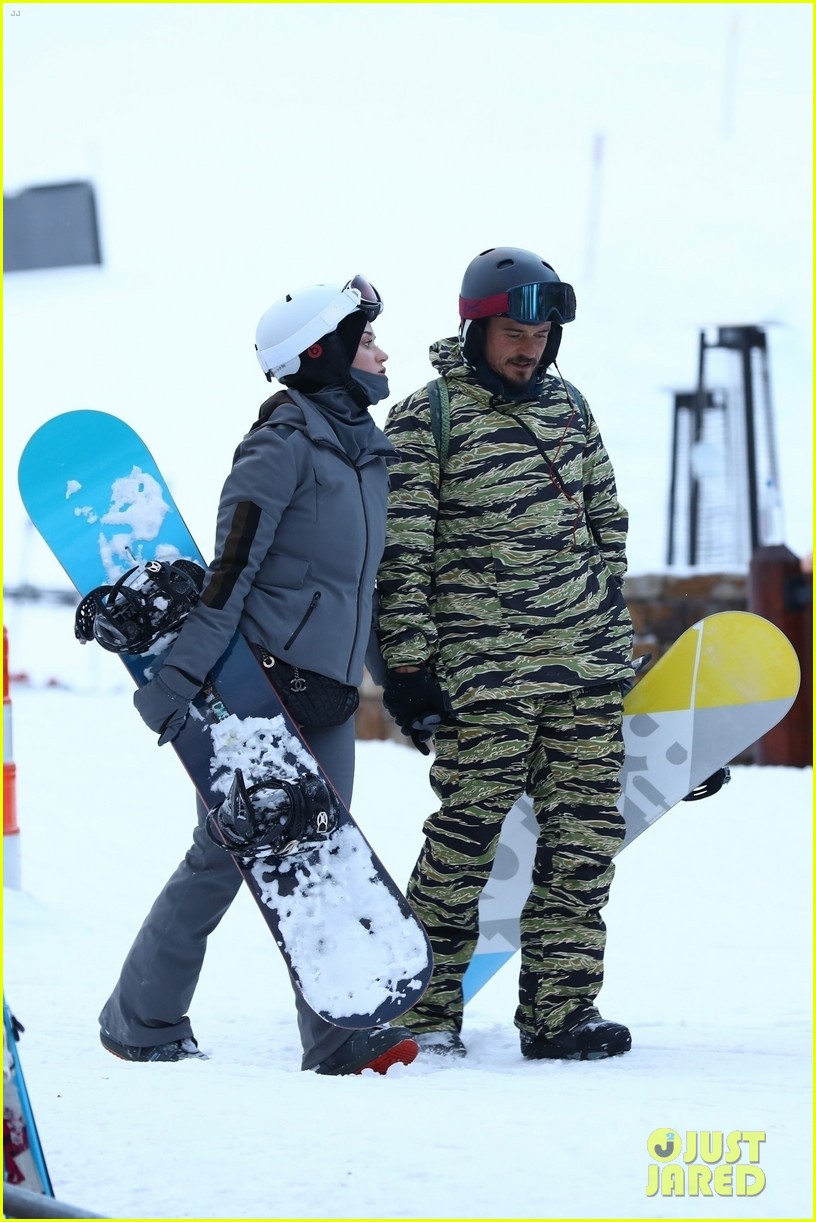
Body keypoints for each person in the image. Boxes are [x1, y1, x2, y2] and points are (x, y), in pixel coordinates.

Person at [99, 276, 419, 1077]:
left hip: (334, 697)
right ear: (326, 353)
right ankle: (140, 1018)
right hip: (260, 694)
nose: (382, 352)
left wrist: (402, 685)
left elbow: (363, 592)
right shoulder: (278, 446)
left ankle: (336, 1033)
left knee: (322, 857)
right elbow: (229, 574)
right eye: (367, 339)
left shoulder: (370, 457)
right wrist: (177, 684)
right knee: (225, 856)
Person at [376, 246, 635, 1062]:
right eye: (515, 332)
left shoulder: (570, 408)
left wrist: (610, 635)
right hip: (485, 673)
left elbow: (606, 527)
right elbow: (404, 551)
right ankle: (423, 1010)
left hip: (584, 669)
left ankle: (561, 1013)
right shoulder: (429, 416)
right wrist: (410, 668)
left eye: (542, 333)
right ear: (477, 329)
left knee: (586, 839)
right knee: (466, 836)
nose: (530, 347)